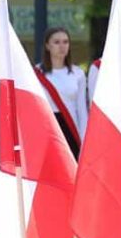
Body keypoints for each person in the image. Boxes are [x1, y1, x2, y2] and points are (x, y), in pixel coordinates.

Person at [35, 26, 88, 159]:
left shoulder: (78, 74)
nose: (62, 46)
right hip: (47, 128)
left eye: (65, 42)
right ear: (47, 46)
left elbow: (82, 110)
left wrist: (84, 140)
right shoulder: (36, 73)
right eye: (56, 42)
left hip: (71, 127)